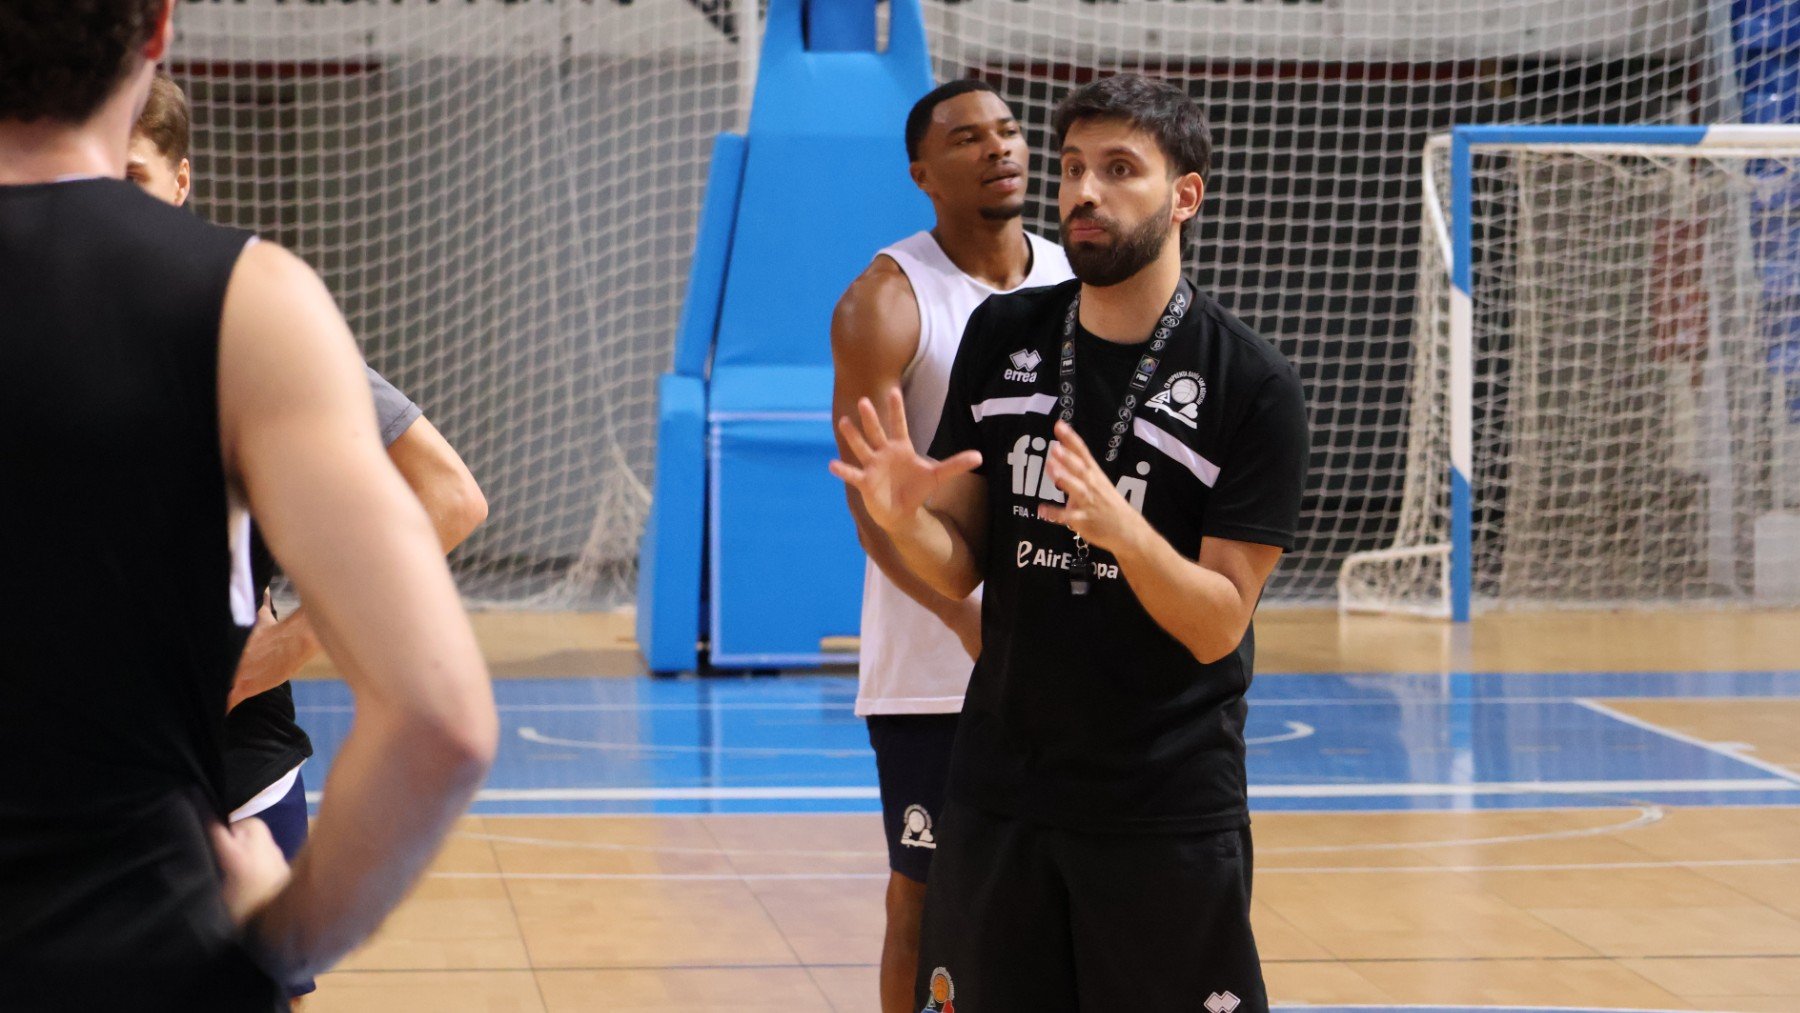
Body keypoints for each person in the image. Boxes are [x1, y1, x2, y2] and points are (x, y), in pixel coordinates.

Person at [0, 3, 497, 1009]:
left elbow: (455, 498)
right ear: (158, 32)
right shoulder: (245, 301)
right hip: (146, 938)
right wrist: (285, 932)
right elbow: (443, 722)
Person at [829, 74, 1309, 1012]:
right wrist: (901, 518)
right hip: (1003, 787)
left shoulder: (1252, 385)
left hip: (1160, 801)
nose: (1084, 191)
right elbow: (960, 558)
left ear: (1185, 196)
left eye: (1119, 169)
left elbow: (1218, 624)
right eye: (1074, 167)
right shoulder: (1002, 335)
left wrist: (1125, 532)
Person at [126, 70, 492, 1003]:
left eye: (130, 176)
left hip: (234, 763)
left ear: (181, 181)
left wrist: (285, 643)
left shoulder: (249, 320)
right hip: (84, 764)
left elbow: (451, 498)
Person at [830, 78, 1072, 1013]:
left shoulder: (1075, 279)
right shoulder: (888, 300)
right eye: (969, 137)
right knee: (925, 894)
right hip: (938, 656)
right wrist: (963, 611)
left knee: (1057, 880)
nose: (999, 147)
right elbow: (871, 507)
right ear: (923, 173)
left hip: (1059, 643)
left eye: (1009, 130)